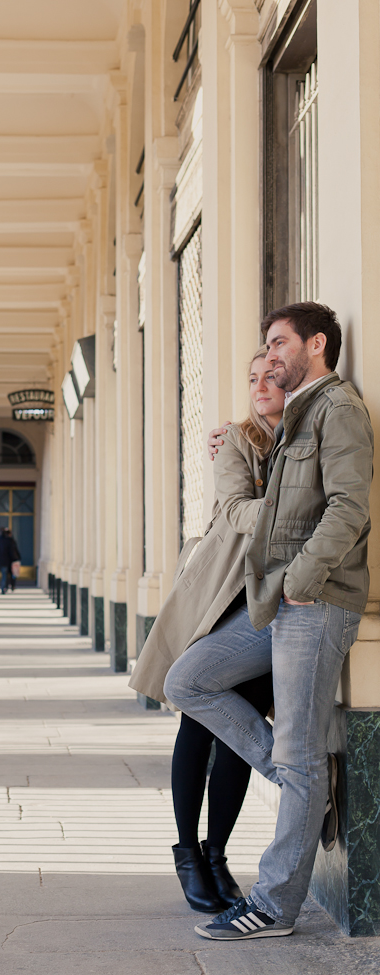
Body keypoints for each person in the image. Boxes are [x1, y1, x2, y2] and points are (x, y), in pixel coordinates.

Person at [164, 302, 373, 941]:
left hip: (316, 600)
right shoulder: (300, 414)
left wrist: (303, 579)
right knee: (187, 681)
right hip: (276, 600)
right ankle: (296, 779)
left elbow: (348, 507)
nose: (271, 354)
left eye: (279, 343)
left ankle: (274, 905)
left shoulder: (337, 409)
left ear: (316, 344)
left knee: (303, 750)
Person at [130, 348, 284, 913]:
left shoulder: (305, 436)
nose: (260, 385)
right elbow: (239, 509)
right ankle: (187, 854)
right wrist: (294, 505)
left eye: (271, 375)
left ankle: (217, 854)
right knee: (196, 726)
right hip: (222, 600)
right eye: (252, 378)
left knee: (237, 735)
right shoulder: (238, 442)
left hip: (272, 610)